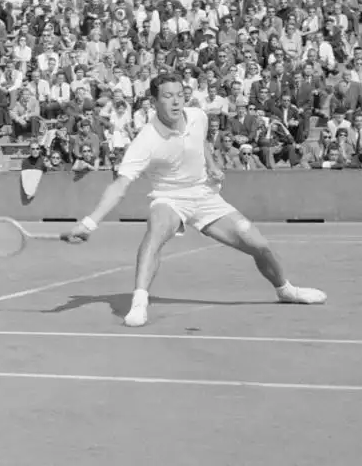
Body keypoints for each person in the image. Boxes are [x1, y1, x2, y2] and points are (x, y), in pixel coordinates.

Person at [65, 74, 326, 328]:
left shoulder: (198, 116)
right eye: (168, 96)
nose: (176, 101)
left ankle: (286, 290)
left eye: (180, 94)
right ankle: (139, 303)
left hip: (205, 196)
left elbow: (201, 142)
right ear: (155, 102)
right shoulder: (145, 140)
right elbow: (119, 186)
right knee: (155, 235)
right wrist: (89, 224)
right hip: (169, 197)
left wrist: (211, 164)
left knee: (259, 244)